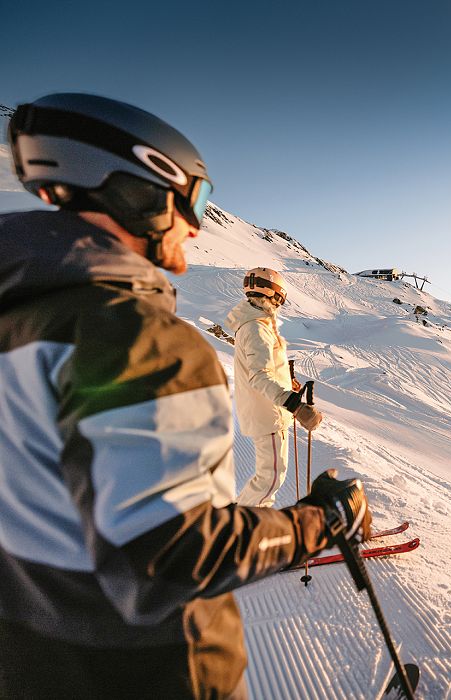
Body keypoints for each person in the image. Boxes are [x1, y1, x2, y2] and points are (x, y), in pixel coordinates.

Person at [0, 93, 372, 699]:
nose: (198, 226)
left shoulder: (18, 323)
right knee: (268, 482)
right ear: (137, 192)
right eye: (194, 200)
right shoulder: (133, 336)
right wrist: (317, 522)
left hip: (37, 661)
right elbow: (166, 562)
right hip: (155, 670)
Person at [227, 267, 322, 507]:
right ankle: (240, 527)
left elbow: (262, 369)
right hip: (267, 413)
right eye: (280, 299)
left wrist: (285, 381)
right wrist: (296, 406)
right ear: (273, 295)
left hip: (268, 410)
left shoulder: (255, 325)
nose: (279, 305)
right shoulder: (256, 329)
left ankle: (254, 524)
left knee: (272, 476)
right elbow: (259, 377)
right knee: (270, 478)